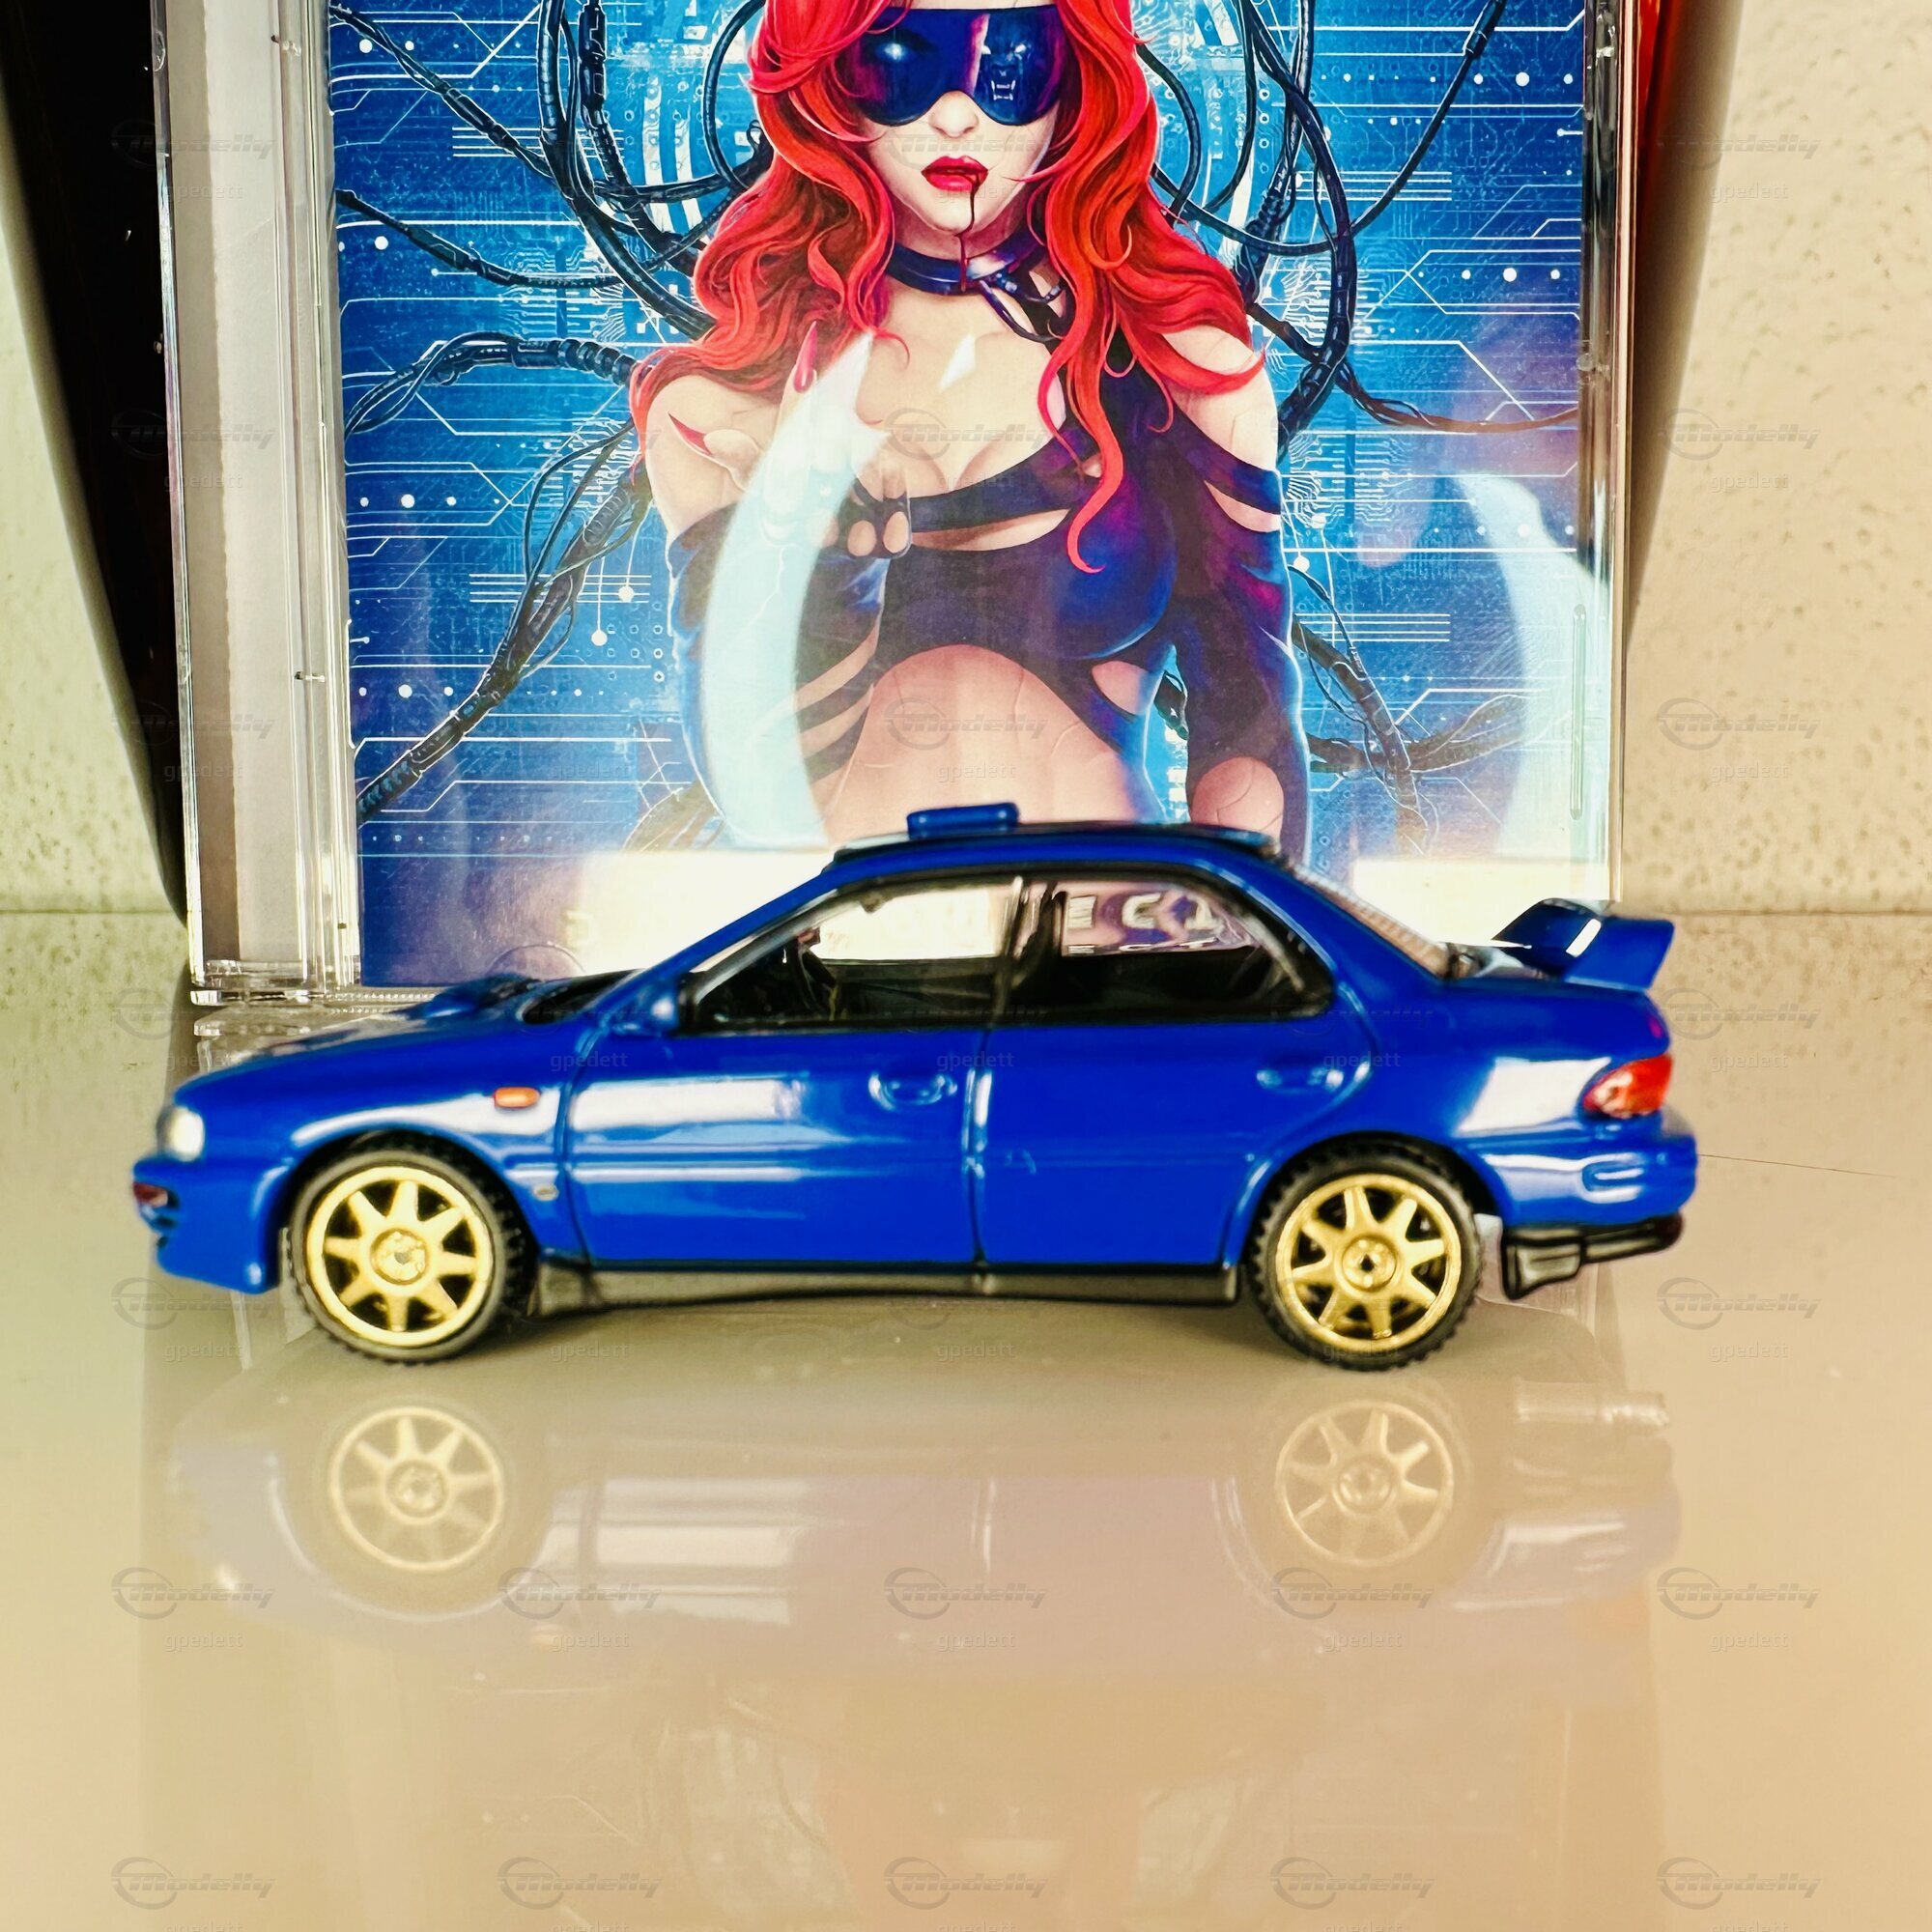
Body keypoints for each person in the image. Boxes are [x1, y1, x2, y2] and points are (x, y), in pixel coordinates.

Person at [632, 0, 1309, 854]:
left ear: (1074, 72)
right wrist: (814, 556)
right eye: (903, 60)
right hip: (856, 933)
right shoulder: (721, 412)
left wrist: (1242, 932)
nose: (956, 115)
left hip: (1105, 925)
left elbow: (1247, 723)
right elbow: (755, 791)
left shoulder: (1181, 373)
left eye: (1009, 60)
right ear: (831, 73)